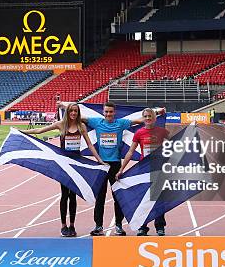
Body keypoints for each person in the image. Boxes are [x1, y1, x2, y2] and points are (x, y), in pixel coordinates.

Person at [58, 101, 164, 236]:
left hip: (115, 165)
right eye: (106, 111)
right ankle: (98, 226)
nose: (108, 114)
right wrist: (64, 107)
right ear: (103, 112)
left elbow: (140, 120)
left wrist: (157, 113)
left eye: (110, 112)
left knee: (118, 197)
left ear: (114, 112)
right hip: (102, 165)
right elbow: (78, 116)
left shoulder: (121, 123)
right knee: (100, 198)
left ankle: (119, 226)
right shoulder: (97, 122)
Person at [22, 103, 105, 237]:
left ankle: (72, 225)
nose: (73, 113)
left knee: (73, 196)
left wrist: (99, 160)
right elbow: (40, 131)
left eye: (75, 111)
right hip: (64, 164)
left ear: (78, 113)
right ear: (67, 112)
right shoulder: (61, 124)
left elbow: (89, 144)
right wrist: (22, 132)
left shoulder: (81, 126)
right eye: (71, 111)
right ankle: (63, 225)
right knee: (64, 195)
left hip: (75, 164)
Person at [117, 108, 170, 236]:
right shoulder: (139, 133)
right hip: (143, 170)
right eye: (145, 116)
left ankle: (160, 226)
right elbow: (130, 151)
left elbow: (171, 148)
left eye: (150, 116)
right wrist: (121, 169)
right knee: (143, 199)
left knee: (158, 199)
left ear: (154, 118)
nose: (148, 118)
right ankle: (143, 227)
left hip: (158, 169)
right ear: (143, 118)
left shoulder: (163, 132)